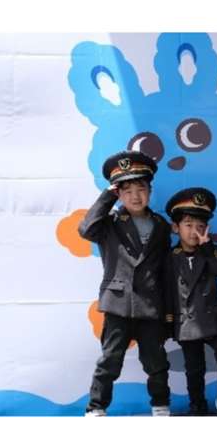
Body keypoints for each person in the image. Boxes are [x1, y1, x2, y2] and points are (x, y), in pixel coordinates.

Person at [79, 150, 171, 417]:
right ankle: (96, 408)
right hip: (118, 304)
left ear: (150, 191)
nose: (135, 196)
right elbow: (86, 230)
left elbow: (165, 269)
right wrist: (107, 196)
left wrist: (167, 312)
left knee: (156, 362)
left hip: (150, 306)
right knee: (110, 360)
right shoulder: (109, 223)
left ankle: (161, 406)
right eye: (127, 190)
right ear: (118, 194)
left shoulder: (161, 226)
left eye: (141, 189)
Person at [164, 187, 217, 416]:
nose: (194, 231)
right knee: (194, 368)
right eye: (188, 225)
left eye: (200, 226)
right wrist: (168, 322)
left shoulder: (212, 251)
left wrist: (207, 247)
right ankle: (197, 405)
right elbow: (166, 291)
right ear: (175, 227)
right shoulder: (168, 257)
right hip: (187, 320)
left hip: (214, 317)